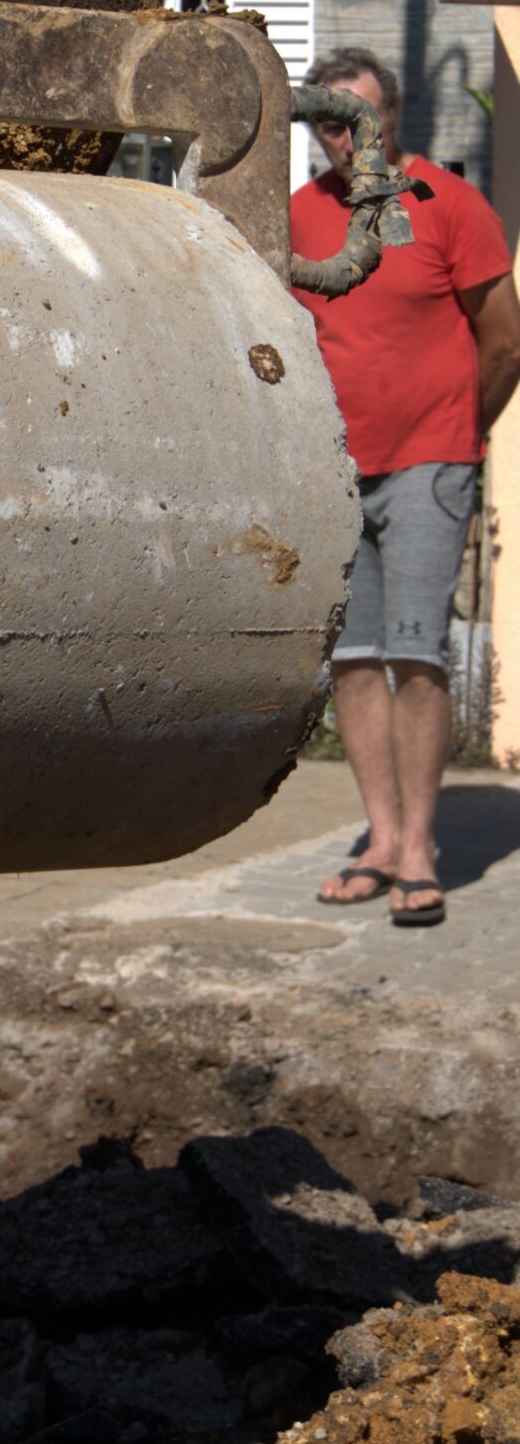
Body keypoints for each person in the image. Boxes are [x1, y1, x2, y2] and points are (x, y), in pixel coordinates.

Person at [293, 48, 520, 926]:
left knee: (418, 655)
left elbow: (503, 340)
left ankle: (421, 849)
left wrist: (460, 436)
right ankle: (381, 840)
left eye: (359, 117)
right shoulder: (298, 219)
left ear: (392, 119)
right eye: (327, 120)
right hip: (336, 475)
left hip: (430, 462)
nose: (343, 135)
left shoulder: (449, 206)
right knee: (353, 662)